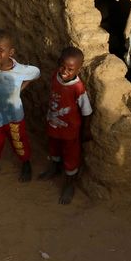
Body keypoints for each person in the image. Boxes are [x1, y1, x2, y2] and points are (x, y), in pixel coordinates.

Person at [0, 30, 40, 182]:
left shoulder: (20, 70)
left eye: (1, 50)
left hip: (14, 116)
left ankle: (26, 163)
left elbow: (36, 73)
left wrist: (18, 89)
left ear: (11, 52)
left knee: (19, 141)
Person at [38, 47, 93, 205]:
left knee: (70, 156)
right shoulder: (55, 76)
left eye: (70, 69)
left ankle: (70, 185)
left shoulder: (78, 88)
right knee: (53, 147)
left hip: (70, 131)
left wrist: (86, 130)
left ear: (78, 69)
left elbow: (87, 111)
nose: (65, 71)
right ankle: (55, 168)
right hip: (54, 124)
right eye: (62, 66)